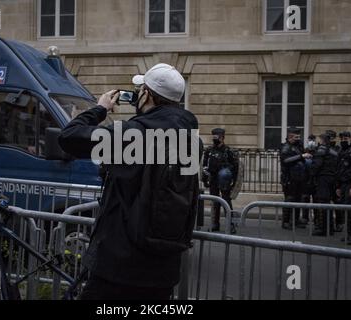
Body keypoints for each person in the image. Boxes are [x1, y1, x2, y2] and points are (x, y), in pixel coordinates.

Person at [58, 63, 201, 300]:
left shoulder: (132, 134)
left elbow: (69, 138)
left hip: (119, 266)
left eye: (140, 90)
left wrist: (99, 109)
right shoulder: (192, 140)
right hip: (164, 269)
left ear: (146, 94)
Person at [202, 128, 239, 231]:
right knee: (215, 202)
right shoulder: (209, 151)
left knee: (226, 201)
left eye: (217, 137)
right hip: (213, 179)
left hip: (224, 180)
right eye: (213, 137)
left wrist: (234, 183)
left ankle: (231, 224)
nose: (215, 139)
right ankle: (215, 224)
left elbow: (235, 168)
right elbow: (205, 166)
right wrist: (204, 179)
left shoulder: (228, 151)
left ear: (222, 138)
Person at [280, 128, 312, 229]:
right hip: (289, 178)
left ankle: (295, 220)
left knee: (298, 199)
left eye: (299, 137)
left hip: (299, 178)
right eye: (296, 137)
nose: (298, 139)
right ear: (290, 137)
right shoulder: (286, 147)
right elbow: (286, 160)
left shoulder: (297, 146)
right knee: (289, 199)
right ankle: (285, 222)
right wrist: (301, 156)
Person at [310, 133, 338, 236]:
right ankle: (330, 227)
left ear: (322, 140)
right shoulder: (333, 151)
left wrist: (311, 174)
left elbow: (316, 165)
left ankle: (323, 228)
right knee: (328, 203)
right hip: (331, 178)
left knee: (322, 203)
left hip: (323, 179)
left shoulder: (321, 150)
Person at [301, 134, 317, 223]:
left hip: (313, 180)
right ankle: (305, 217)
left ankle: (315, 218)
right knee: (305, 198)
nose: (311, 141)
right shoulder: (304, 152)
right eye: (310, 139)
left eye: (312, 139)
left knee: (315, 199)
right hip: (306, 179)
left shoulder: (317, 152)